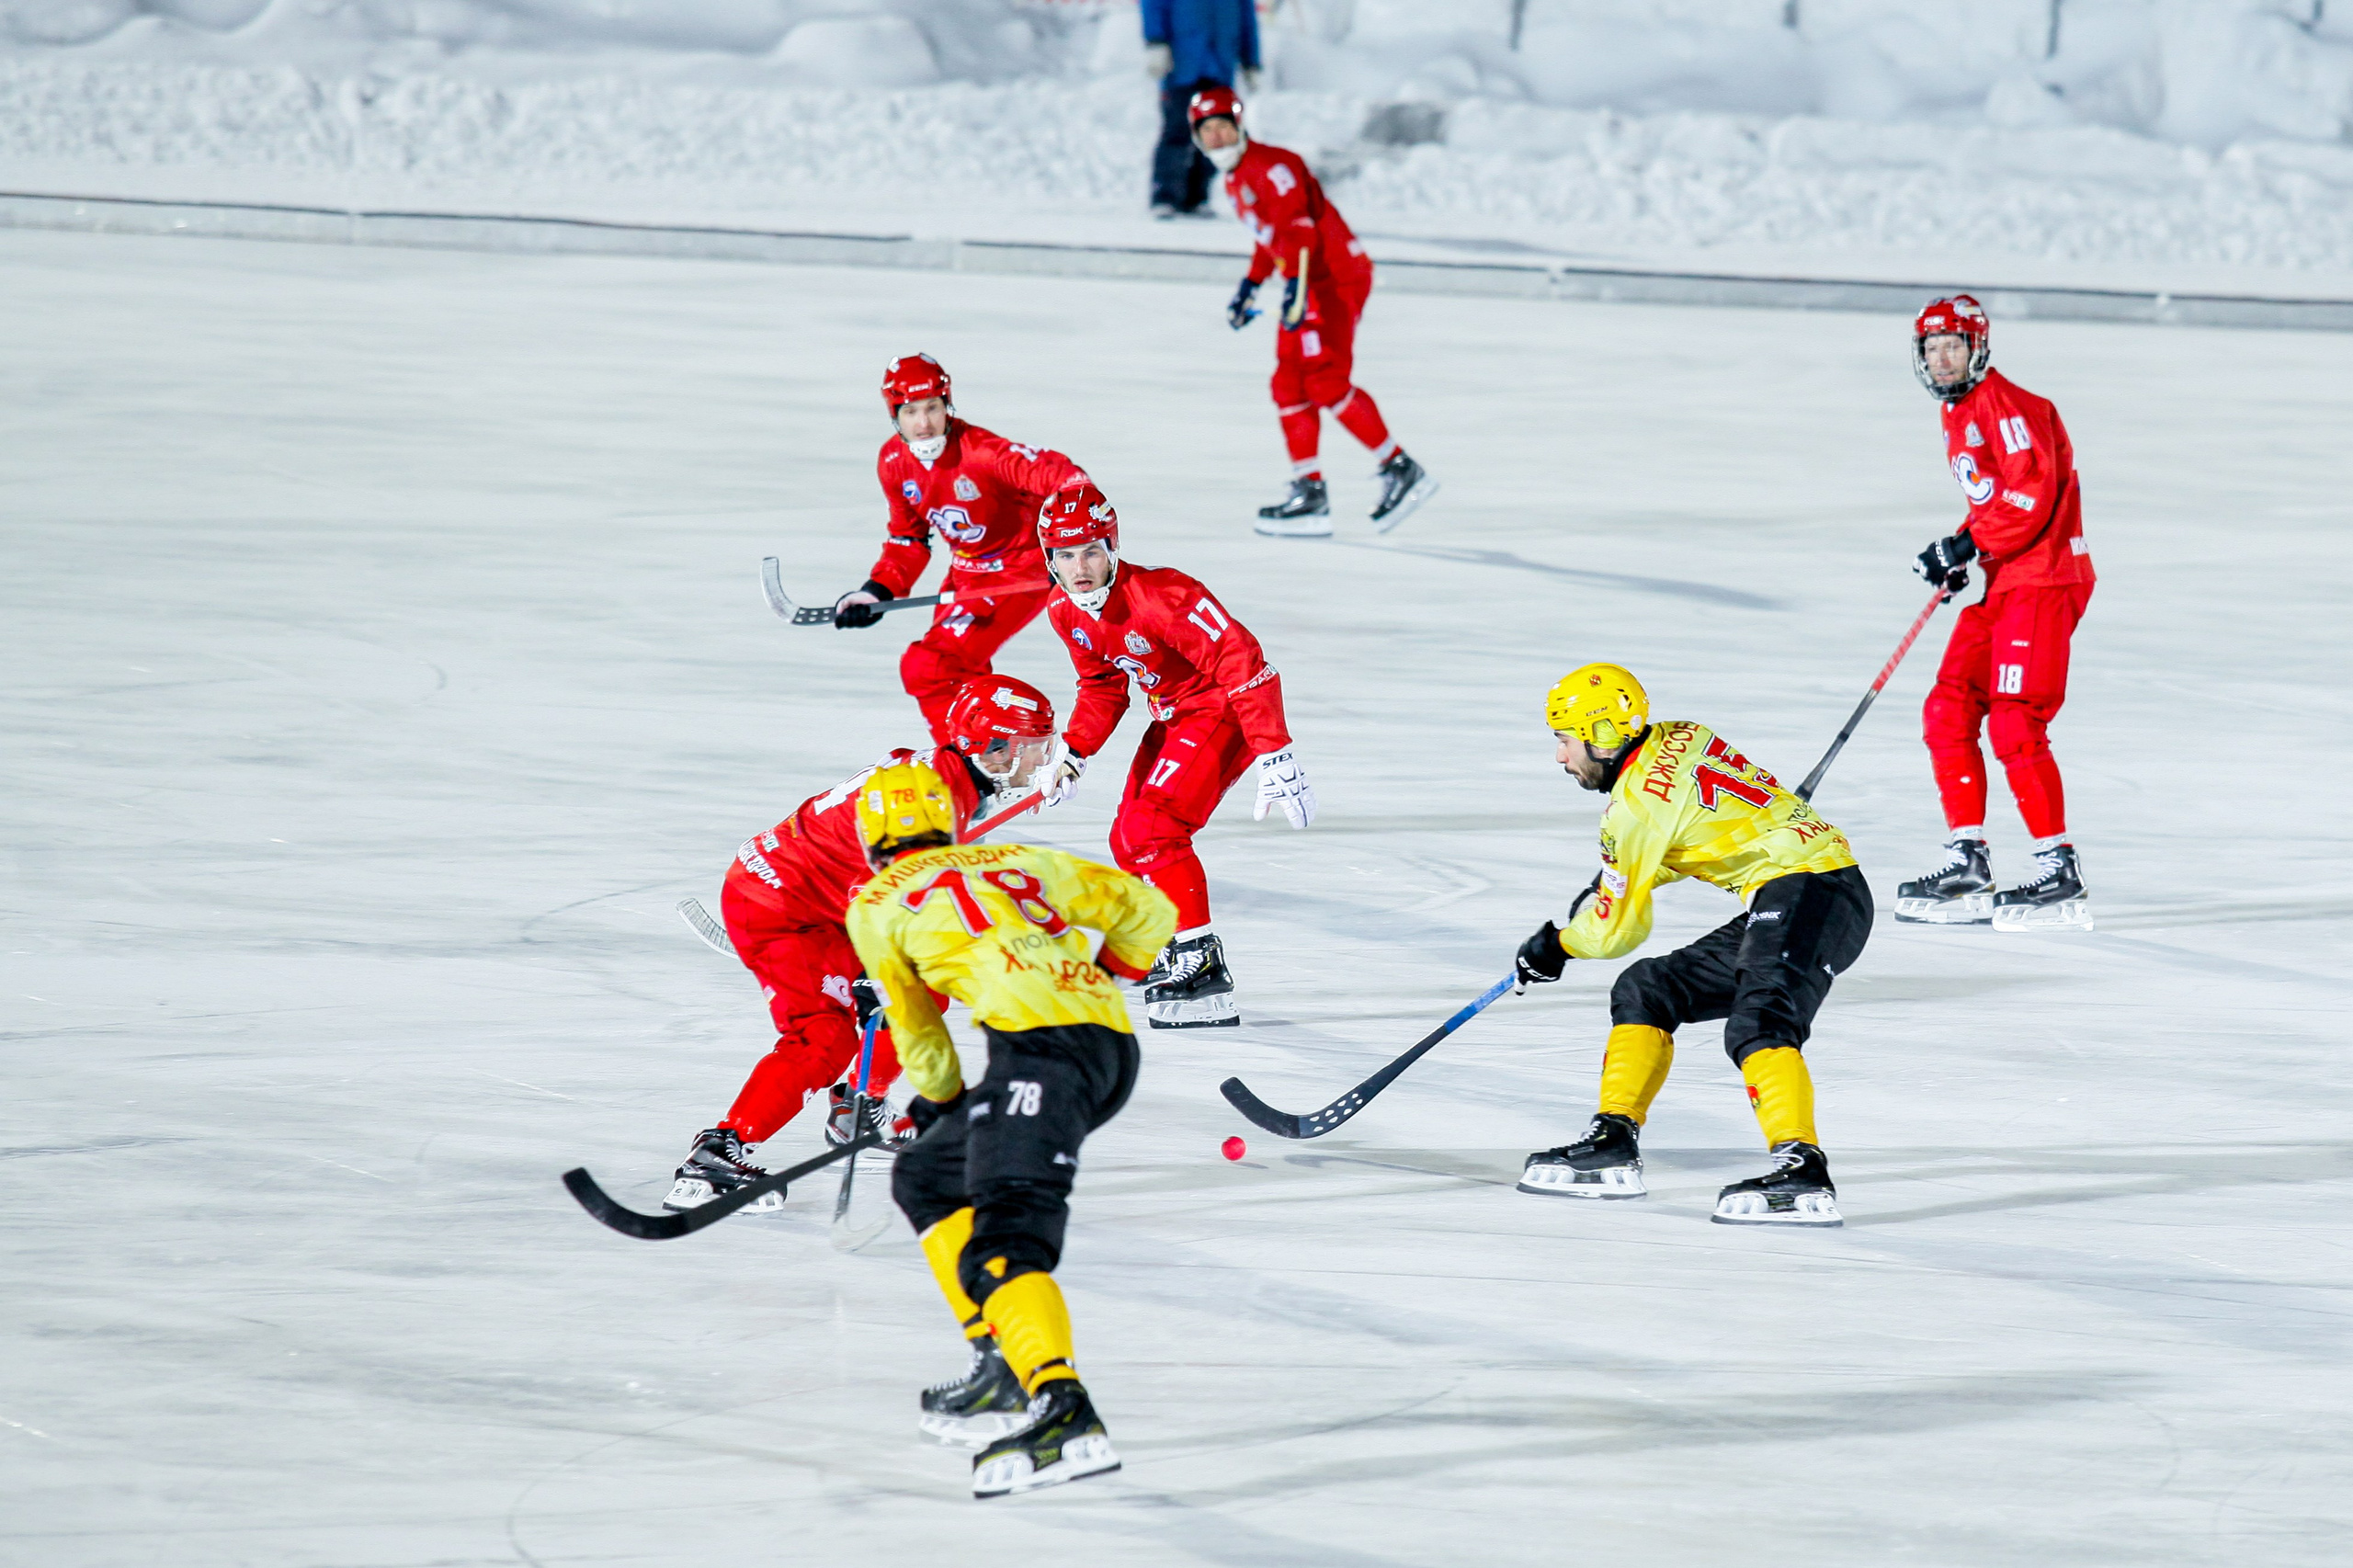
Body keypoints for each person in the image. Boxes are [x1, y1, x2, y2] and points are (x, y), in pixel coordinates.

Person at [846, 756, 1177, 1497]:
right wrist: (1096, 982)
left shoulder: (873, 903)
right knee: (926, 1175)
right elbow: (1152, 914)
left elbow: (919, 1031)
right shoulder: (1019, 856)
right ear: (949, 822)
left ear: (871, 839)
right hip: (1102, 1043)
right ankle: (1002, 1363)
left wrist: (939, 1099)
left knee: (1002, 1243)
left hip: (1043, 1055)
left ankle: (1064, 1410)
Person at [662, 676, 1058, 1212]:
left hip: (811, 899)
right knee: (823, 1038)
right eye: (1029, 748)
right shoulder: (929, 800)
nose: (1038, 760)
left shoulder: (949, 776)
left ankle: (856, 1110)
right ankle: (717, 1155)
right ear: (988, 746)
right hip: (778, 907)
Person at [1509, 665, 1869, 1228]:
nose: (1560, 757)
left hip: (1813, 891)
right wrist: (1626, 872)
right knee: (1648, 989)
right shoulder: (1682, 733)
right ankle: (1612, 1139)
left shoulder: (1630, 811)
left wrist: (1556, 946)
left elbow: (1618, 931)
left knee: (1760, 1022)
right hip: (1801, 885)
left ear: (1603, 737)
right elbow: (1701, 829)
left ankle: (1802, 1171)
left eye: (1564, 739)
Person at [1030, 482, 1313, 1028]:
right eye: (1065, 554)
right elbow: (1103, 687)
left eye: (1091, 549)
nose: (1080, 565)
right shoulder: (1065, 610)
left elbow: (1241, 659)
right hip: (1175, 713)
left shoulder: (1163, 595)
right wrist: (1074, 751)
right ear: (1050, 560)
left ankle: (1200, 962)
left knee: (1152, 830)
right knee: (1126, 840)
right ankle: (1173, 941)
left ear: (1112, 546)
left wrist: (1273, 748)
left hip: (1221, 709)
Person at [1896, 295, 2097, 932]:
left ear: (1978, 348)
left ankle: (2058, 869)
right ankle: (1968, 857)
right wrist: (1957, 549)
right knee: (1947, 706)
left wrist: (1969, 544)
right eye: (1932, 347)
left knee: (2015, 721)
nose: (1943, 357)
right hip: (2007, 581)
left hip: (2044, 581)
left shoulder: (2007, 407)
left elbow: (2029, 497)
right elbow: (1994, 503)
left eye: (1954, 344)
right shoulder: (1958, 412)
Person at [1187, 86, 1438, 538]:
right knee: (1287, 383)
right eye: (1210, 132)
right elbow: (1273, 239)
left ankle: (1401, 468)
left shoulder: (1273, 166)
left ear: (1241, 127)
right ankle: (1310, 492)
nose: (1219, 138)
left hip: (1333, 278)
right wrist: (1252, 285)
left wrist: (1296, 290)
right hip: (1304, 281)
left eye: (1225, 127)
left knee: (1324, 380)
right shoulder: (1236, 179)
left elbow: (1299, 230)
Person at [830, 355, 1091, 748]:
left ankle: (968, 767)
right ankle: (995, 756)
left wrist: (1071, 549)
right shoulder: (893, 463)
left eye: (933, 407)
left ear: (947, 404)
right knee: (961, 674)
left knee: (928, 667)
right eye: (911, 411)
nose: (924, 423)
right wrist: (876, 592)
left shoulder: (982, 452)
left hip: (1021, 572)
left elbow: (1067, 479)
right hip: (967, 572)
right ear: (894, 415)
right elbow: (908, 540)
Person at [1141, 0, 1259, 219]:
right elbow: (1154, 5)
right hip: (1183, 63)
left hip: (1220, 63)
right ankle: (1165, 197)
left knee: (1214, 134)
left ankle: (1196, 197)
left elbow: (1247, 18)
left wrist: (1251, 60)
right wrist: (1156, 41)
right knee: (1177, 131)